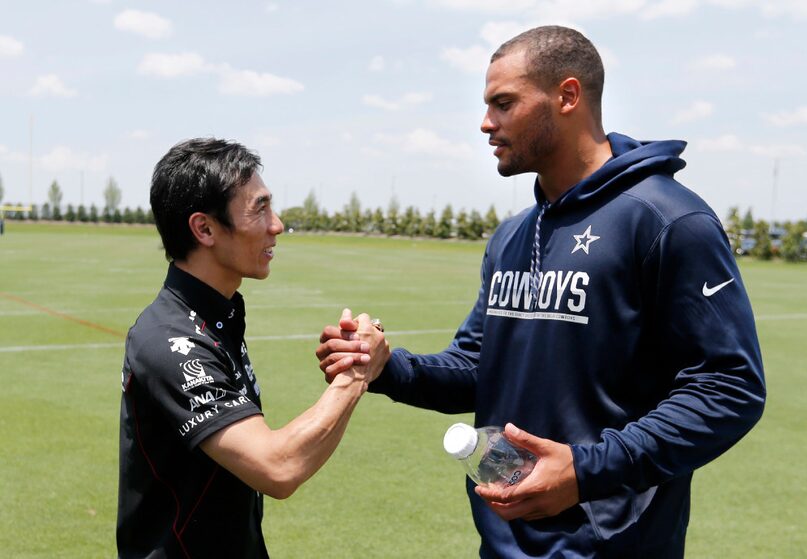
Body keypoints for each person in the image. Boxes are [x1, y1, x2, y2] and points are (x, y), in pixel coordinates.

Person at [317, 26, 766, 558]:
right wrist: (388, 367)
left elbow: (728, 387)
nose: (487, 124)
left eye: (503, 104)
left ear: (568, 96)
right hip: (506, 542)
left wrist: (585, 471)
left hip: (614, 546)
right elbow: (481, 366)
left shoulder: (668, 219)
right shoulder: (512, 235)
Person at [117, 138, 388, 558]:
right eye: (259, 208)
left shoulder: (215, 317)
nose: (276, 225)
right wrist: (356, 374)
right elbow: (278, 467)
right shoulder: (171, 341)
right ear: (204, 228)